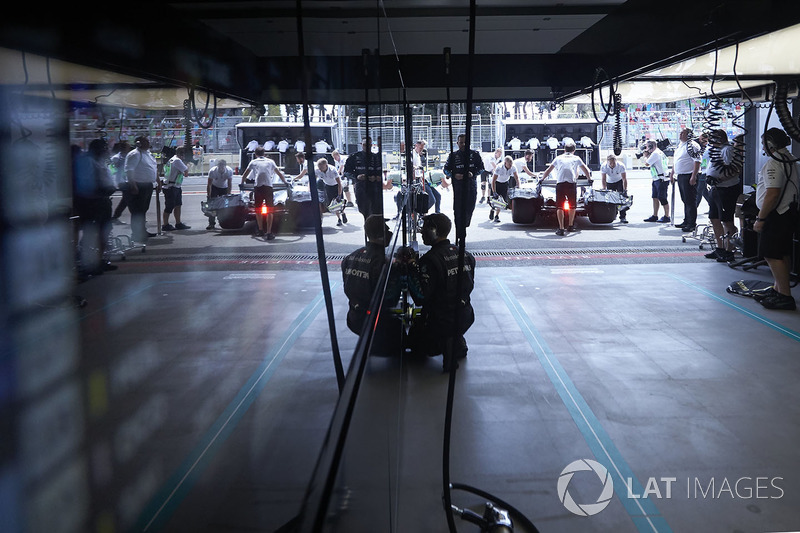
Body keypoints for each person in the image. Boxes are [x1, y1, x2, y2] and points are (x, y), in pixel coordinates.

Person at [407, 213, 475, 370]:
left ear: (433, 230)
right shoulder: (466, 254)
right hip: (466, 315)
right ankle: (455, 341)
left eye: (424, 229)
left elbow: (420, 297)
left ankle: (446, 346)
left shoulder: (430, 260)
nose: (421, 232)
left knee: (414, 341)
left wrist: (411, 269)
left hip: (441, 321)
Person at [752, 127, 799, 310]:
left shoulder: (774, 163)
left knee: (771, 254)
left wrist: (761, 218)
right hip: (788, 212)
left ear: (770, 144)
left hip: (776, 214)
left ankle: (785, 295)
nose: (763, 147)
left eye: (764, 143)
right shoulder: (791, 160)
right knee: (782, 253)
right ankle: (779, 289)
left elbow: (772, 193)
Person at [341, 215, 398, 338]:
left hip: (354, 317)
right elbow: (391, 299)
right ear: (381, 234)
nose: (390, 232)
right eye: (386, 229)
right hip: (376, 322)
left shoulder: (350, 257)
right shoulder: (383, 262)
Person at [73, 139, 118, 276]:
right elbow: (86, 184)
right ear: (96, 148)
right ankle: (89, 263)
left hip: (103, 201)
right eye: (104, 148)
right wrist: (103, 189)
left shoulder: (101, 160)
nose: (107, 150)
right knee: (91, 233)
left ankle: (100, 260)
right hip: (92, 203)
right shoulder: (87, 161)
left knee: (104, 231)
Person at [703, 130, 741, 263]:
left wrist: (719, 179)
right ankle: (720, 248)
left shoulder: (728, 150)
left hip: (726, 189)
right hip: (716, 189)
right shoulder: (716, 150)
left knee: (727, 221)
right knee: (714, 218)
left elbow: (735, 169)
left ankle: (729, 250)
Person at [541, 138, 591, 235]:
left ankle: (561, 228)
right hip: (571, 183)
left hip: (560, 184)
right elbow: (586, 170)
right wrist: (589, 179)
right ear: (574, 150)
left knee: (559, 207)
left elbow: (548, 170)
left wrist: (542, 179)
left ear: (564, 150)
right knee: (572, 206)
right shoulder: (576, 158)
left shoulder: (558, 158)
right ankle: (571, 225)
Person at [240, 146, 289, 239]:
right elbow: (279, 173)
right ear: (265, 154)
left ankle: (260, 230)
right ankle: (269, 232)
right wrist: (285, 182)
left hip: (258, 187)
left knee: (258, 210)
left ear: (255, 154)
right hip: (268, 187)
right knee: (270, 210)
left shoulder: (253, 162)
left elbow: (245, 174)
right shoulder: (270, 162)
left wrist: (242, 184)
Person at [442, 133, 482, 244]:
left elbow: (482, 169)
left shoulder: (475, 155)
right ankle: (460, 235)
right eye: (461, 143)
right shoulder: (453, 156)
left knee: (469, 210)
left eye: (465, 142)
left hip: (471, 187)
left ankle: (464, 227)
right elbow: (445, 170)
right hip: (458, 189)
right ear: (457, 143)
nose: (463, 144)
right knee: (458, 212)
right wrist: (454, 175)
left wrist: (472, 174)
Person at [124, 136, 158, 241]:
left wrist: (158, 182)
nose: (148, 143)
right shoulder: (135, 154)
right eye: (145, 141)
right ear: (138, 143)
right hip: (138, 185)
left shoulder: (148, 154)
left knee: (143, 210)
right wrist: (133, 185)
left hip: (147, 185)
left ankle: (142, 230)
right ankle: (137, 233)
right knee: (137, 211)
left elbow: (153, 168)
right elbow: (129, 170)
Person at [344, 137, 383, 220]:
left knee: (375, 209)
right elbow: (346, 172)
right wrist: (356, 177)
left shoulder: (376, 157)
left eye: (369, 145)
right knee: (363, 209)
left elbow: (380, 170)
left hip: (374, 187)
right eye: (365, 145)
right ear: (362, 145)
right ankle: (367, 224)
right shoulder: (354, 157)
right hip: (361, 187)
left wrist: (378, 177)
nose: (367, 147)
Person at [670, 128, 702, 232]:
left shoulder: (692, 145)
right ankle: (686, 220)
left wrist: (694, 176)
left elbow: (697, 161)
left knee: (690, 200)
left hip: (689, 175)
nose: (680, 134)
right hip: (681, 175)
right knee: (685, 200)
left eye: (683, 133)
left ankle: (691, 223)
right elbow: (677, 160)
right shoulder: (680, 145)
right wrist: (672, 173)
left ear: (688, 135)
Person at [161, 146, 192, 231]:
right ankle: (165, 224)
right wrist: (188, 165)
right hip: (171, 187)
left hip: (174, 186)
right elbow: (186, 172)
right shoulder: (177, 160)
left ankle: (178, 223)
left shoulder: (172, 159)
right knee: (169, 207)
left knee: (178, 205)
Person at [642, 139, 671, 223]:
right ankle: (655, 215)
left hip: (661, 179)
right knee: (655, 197)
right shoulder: (660, 152)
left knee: (662, 198)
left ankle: (667, 216)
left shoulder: (655, 154)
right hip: (657, 178)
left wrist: (645, 156)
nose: (646, 149)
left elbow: (647, 163)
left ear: (651, 146)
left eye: (647, 147)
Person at [316, 158, 347, 226]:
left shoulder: (333, 170)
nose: (320, 169)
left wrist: (339, 194)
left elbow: (339, 183)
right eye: (319, 167)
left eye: (322, 167)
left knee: (339, 203)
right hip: (328, 186)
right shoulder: (317, 170)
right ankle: (339, 219)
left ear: (326, 165)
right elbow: (314, 179)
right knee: (334, 204)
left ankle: (343, 213)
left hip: (336, 186)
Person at [413, 140, 441, 214]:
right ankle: (421, 213)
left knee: (438, 196)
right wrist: (417, 167)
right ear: (416, 145)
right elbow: (411, 166)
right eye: (420, 148)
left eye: (422, 148)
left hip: (423, 179)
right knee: (432, 200)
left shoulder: (418, 154)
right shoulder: (413, 154)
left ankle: (437, 213)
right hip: (418, 179)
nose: (421, 150)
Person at [600, 154, 628, 223]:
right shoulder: (604, 166)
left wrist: (625, 190)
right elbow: (603, 179)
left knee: (621, 198)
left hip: (619, 181)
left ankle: (623, 217)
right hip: (609, 182)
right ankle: (612, 215)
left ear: (616, 161)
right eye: (611, 163)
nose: (612, 164)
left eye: (614, 163)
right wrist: (604, 188)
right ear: (607, 162)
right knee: (611, 200)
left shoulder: (621, 166)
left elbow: (624, 179)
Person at [205, 158, 233, 230]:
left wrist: (228, 194)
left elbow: (229, 184)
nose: (221, 169)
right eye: (219, 167)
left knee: (224, 206)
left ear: (225, 166)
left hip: (224, 187)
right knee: (212, 205)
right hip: (214, 187)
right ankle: (211, 223)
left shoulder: (229, 171)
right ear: (217, 166)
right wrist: (209, 195)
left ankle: (224, 221)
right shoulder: (212, 171)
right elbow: (209, 184)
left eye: (222, 167)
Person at [490, 155, 518, 223]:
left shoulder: (513, 167)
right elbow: (493, 181)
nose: (510, 166)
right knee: (494, 200)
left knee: (501, 201)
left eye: (511, 164)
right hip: (497, 183)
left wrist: (518, 186)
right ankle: (492, 209)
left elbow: (517, 178)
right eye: (509, 164)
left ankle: (497, 216)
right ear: (505, 163)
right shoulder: (499, 167)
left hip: (505, 183)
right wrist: (494, 192)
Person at [110, 140, 131, 222]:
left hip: (126, 179)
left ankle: (116, 216)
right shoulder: (116, 158)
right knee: (127, 199)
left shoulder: (128, 156)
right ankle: (116, 216)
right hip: (121, 180)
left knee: (126, 199)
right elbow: (112, 169)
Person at [694, 132, 712, 210]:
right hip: (703, 171)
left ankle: (695, 207)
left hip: (705, 172)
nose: (700, 141)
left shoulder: (708, 149)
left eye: (702, 140)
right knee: (704, 191)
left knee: (699, 190)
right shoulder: (705, 148)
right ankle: (712, 205)